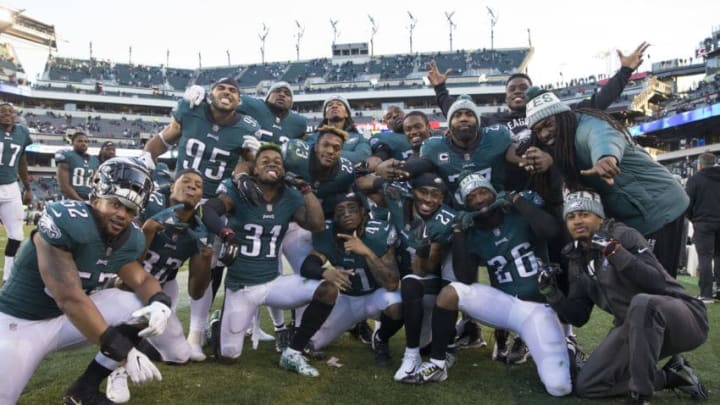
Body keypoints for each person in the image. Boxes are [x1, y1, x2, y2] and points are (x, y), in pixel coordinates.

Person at [0, 157, 169, 404]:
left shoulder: (129, 237)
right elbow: (70, 299)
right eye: (115, 203)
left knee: (136, 304)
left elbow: (141, 278)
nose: (122, 214)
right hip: (21, 323)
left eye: (130, 210)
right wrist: (125, 351)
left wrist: (160, 302)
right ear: (95, 198)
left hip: (66, 322)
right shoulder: (66, 220)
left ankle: (84, 391)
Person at [402, 173, 572, 398]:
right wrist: (459, 232)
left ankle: (565, 346)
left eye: (483, 192)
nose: (480, 199)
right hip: (505, 305)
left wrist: (516, 200)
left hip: (538, 308)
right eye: (472, 197)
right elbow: (464, 278)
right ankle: (438, 363)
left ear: (494, 193)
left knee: (558, 387)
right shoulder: (472, 233)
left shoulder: (519, 215)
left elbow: (552, 231)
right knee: (451, 292)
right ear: (467, 203)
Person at [540, 191, 708, 403]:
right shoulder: (576, 258)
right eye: (571, 217)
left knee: (642, 303)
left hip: (681, 318)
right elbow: (579, 316)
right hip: (633, 326)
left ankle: (640, 397)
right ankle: (671, 376)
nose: (577, 221)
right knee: (588, 385)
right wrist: (551, 293)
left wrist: (614, 251)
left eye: (584, 214)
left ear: (599, 217)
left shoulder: (623, 235)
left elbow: (655, 282)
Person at [143, 76, 262, 359]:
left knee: (205, 268)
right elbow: (164, 138)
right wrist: (146, 158)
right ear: (210, 93)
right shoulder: (190, 109)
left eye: (233, 90)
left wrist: (248, 162)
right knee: (153, 248)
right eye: (221, 88)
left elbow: (245, 165)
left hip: (214, 205)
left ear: (239, 100)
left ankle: (195, 334)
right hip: (178, 198)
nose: (227, 93)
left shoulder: (247, 127)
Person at [525, 87, 689, 279]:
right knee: (636, 284)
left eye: (548, 124)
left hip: (660, 208)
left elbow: (603, 136)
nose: (544, 134)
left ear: (562, 116)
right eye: (538, 130)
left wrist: (605, 157)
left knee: (658, 283)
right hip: (637, 214)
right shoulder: (561, 143)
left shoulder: (586, 126)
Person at [203, 143, 334, 377]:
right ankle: (217, 323)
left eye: (277, 161)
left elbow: (317, 224)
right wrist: (226, 234)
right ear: (254, 169)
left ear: (284, 170)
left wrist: (306, 189)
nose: (272, 163)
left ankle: (293, 352)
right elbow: (208, 210)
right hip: (242, 286)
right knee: (227, 358)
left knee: (328, 291)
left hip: (273, 283)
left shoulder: (290, 196)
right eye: (265, 160)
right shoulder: (239, 191)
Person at [357, 172, 457, 381]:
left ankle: (420, 348)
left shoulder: (444, 220)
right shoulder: (398, 199)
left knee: (412, 284)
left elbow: (425, 269)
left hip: (424, 281)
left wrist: (422, 248)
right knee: (398, 297)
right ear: (413, 192)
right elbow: (361, 183)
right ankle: (404, 352)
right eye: (423, 192)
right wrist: (382, 180)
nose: (429, 199)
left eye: (435, 195)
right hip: (396, 271)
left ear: (442, 198)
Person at [302, 192, 403, 366]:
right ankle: (354, 326)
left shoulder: (377, 232)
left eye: (352, 209)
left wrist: (366, 251)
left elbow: (392, 283)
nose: (347, 214)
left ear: (363, 212)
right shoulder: (328, 233)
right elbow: (308, 265)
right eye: (340, 211)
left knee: (397, 304)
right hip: (347, 299)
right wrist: (324, 272)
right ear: (334, 216)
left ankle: (380, 339)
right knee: (311, 343)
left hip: (374, 297)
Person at [183, 80, 307, 144]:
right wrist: (204, 94)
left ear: (291, 103)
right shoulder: (253, 105)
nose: (281, 95)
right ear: (268, 96)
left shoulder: (298, 122)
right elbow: (226, 100)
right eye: (277, 91)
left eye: (287, 94)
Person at [0, 102, 32, 283]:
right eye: (2, 111)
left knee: (17, 235)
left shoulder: (22, 133)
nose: (6, 114)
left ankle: (7, 277)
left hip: (11, 186)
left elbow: (22, 161)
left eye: (10, 111)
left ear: (15, 115)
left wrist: (27, 187)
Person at [685, 152, 720, 302]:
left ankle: (706, 294)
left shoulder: (695, 180)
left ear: (699, 165)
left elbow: (687, 204)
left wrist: (694, 219)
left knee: (705, 257)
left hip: (703, 223)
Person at [305, 95, 371, 164]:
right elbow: (309, 156)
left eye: (339, 104)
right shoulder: (313, 137)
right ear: (326, 115)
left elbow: (362, 157)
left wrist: (324, 154)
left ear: (346, 113)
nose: (334, 106)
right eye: (330, 105)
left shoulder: (359, 138)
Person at [56, 131, 100, 201]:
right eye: (80, 141)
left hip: (89, 198)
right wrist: (80, 201)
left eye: (86, 142)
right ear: (73, 142)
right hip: (70, 199)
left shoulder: (94, 160)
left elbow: (96, 183)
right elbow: (64, 187)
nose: (83, 144)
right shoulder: (67, 156)